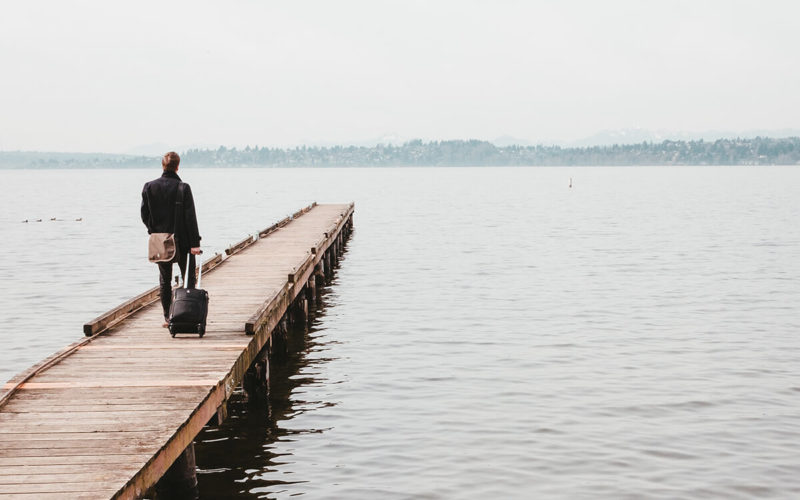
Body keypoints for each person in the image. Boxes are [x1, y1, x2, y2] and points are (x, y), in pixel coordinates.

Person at [141, 152, 202, 327]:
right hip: (182, 241)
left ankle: (168, 317)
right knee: (188, 278)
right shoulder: (183, 188)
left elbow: (144, 215)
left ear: (162, 166)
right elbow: (190, 218)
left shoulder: (149, 187)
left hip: (160, 240)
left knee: (164, 280)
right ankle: (186, 313)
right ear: (177, 166)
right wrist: (195, 244)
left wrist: (154, 231)